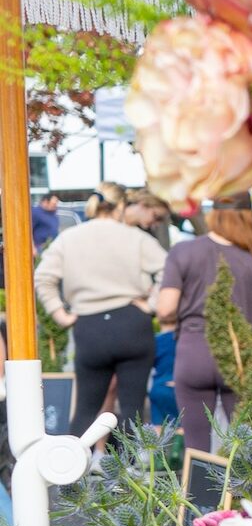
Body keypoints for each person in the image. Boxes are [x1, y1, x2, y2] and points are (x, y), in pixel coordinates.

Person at [34, 182, 165, 437]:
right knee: (133, 410)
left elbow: (43, 276)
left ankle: (71, 474)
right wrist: (151, 304)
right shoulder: (136, 238)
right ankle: (134, 473)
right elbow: (169, 269)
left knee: (85, 409)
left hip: (89, 326)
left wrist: (60, 314)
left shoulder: (69, 238)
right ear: (120, 206)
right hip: (132, 323)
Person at [156, 196, 252, 453]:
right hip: (239, 352)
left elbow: (165, 309)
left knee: (196, 444)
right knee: (245, 443)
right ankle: (245, 493)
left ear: (214, 215)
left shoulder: (183, 252)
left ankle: (199, 494)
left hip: (194, 349)